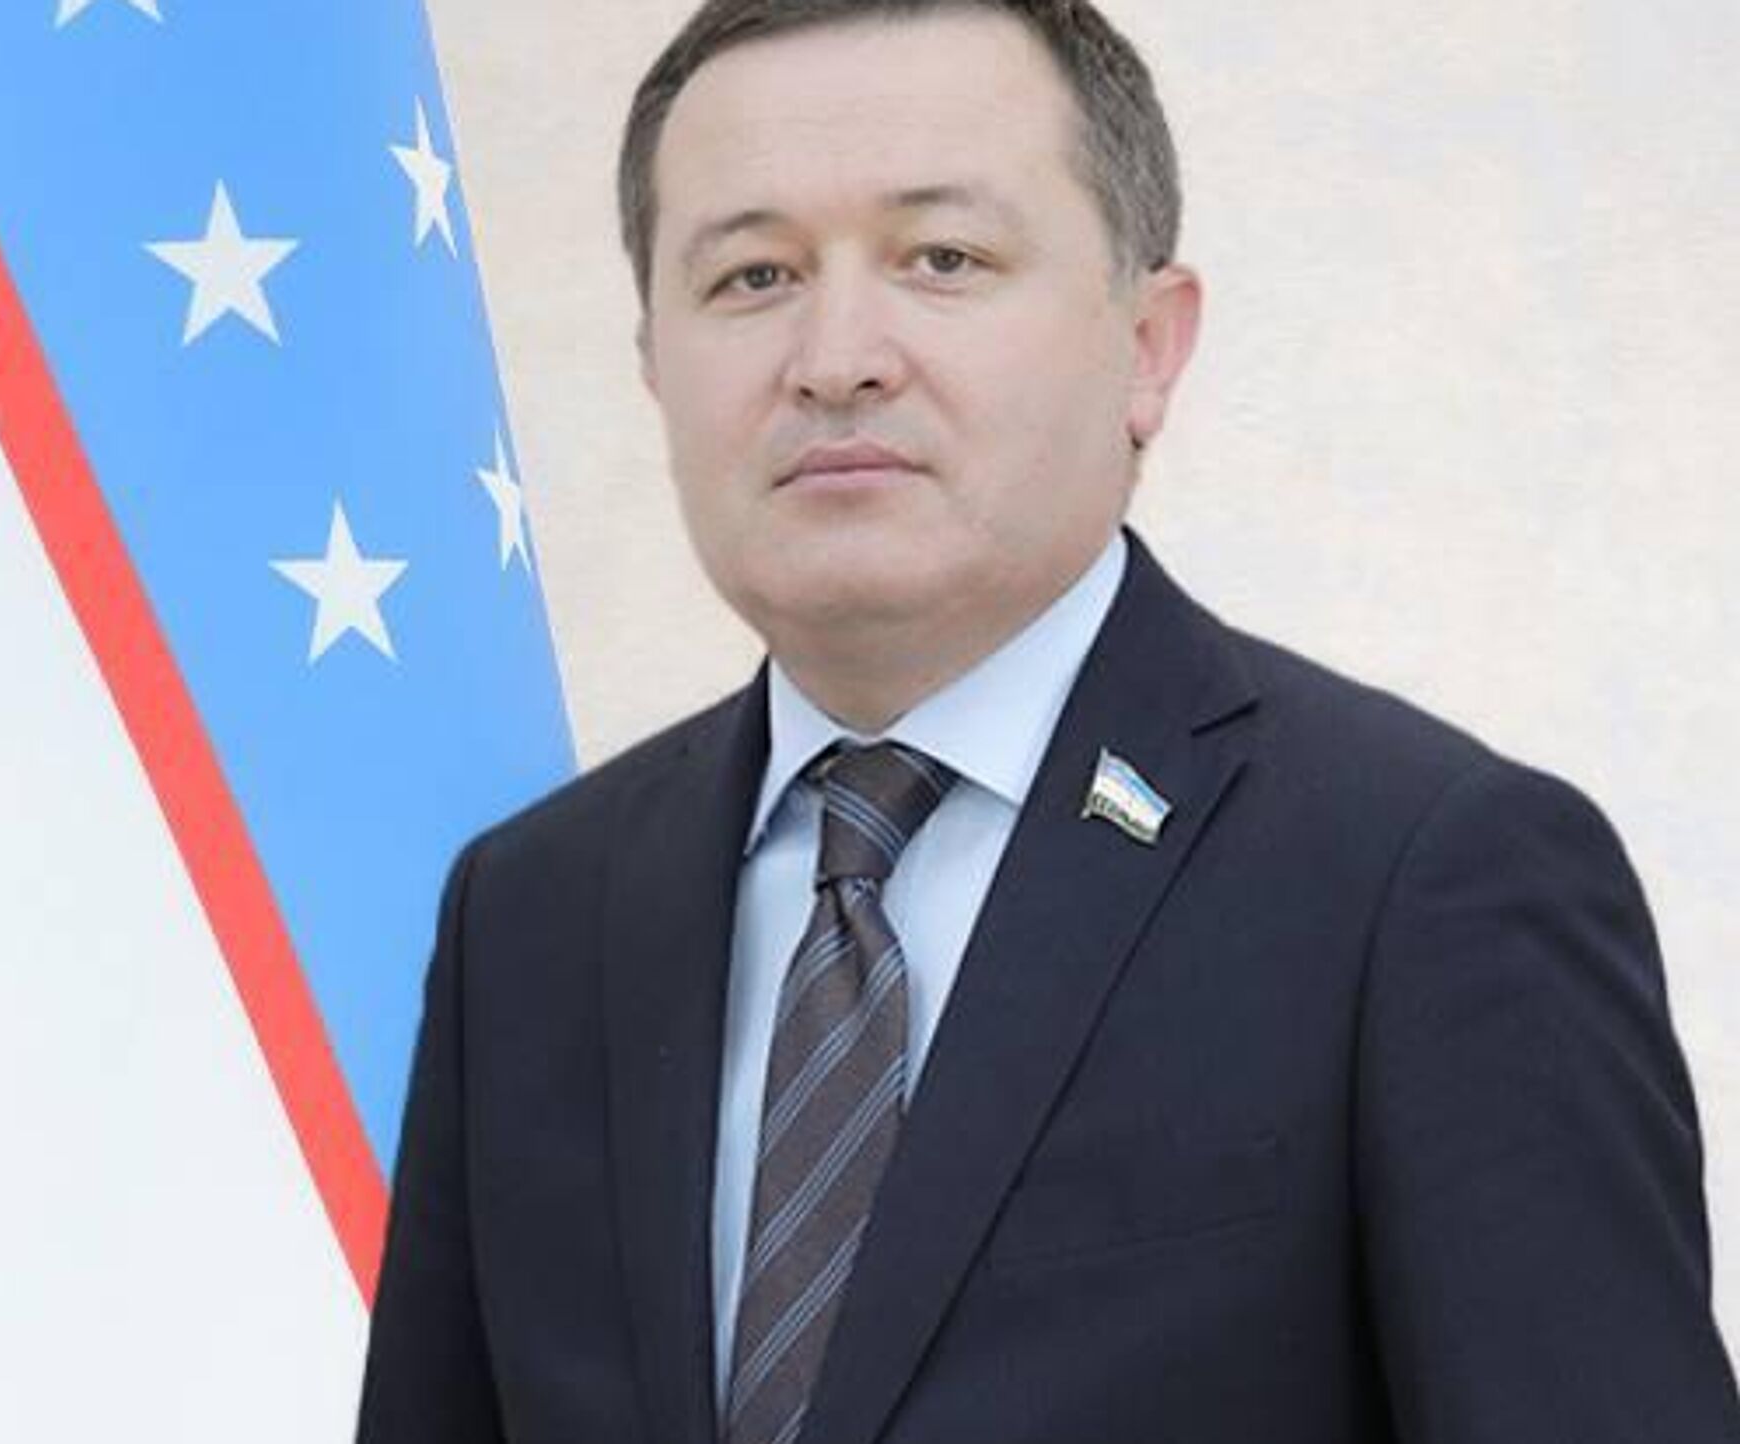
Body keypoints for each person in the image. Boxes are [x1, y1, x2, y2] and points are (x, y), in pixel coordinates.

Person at [356, 1, 1740, 1440]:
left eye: (942, 259)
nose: (836, 357)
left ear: (1149, 345)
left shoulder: (1422, 879)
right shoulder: (533, 910)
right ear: (654, 361)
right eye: (754, 275)